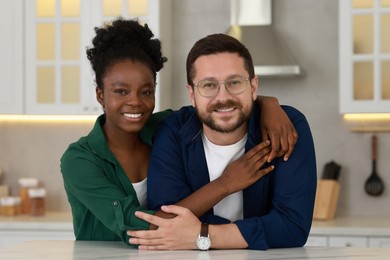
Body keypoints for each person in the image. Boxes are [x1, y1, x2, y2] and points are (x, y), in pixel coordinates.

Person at [60, 18, 298, 247]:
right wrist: (225, 184)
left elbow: (213, 105)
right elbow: (140, 230)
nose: (135, 102)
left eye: (145, 92)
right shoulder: (79, 160)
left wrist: (268, 104)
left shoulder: (166, 128)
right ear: (100, 95)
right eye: (121, 92)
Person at [128, 33, 317, 250]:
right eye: (208, 85)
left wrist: (202, 234)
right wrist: (252, 225)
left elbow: (292, 228)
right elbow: (164, 222)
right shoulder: (173, 132)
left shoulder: (287, 127)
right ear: (191, 93)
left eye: (235, 82)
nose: (223, 97)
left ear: (254, 87)